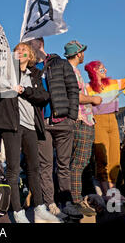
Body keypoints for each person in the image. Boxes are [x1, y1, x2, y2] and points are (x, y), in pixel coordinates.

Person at [0, 42, 61, 223]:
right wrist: (8, 88)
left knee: (34, 168)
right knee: (13, 169)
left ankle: (39, 207)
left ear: (31, 56)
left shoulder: (34, 74)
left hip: (30, 126)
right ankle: (18, 212)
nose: (20, 52)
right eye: (17, 50)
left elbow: (44, 97)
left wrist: (25, 91)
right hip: (11, 125)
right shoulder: (5, 73)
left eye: (24, 50)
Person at [27, 37, 81, 219]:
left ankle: (66, 201)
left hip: (63, 121)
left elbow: (73, 89)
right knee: (45, 166)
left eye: (30, 43)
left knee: (64, 165)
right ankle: (50, 202)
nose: (27, 47)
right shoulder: (30, 68)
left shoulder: (60, 63)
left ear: (39, 43)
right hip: (42, 124)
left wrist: (72, 116)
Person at [84, 60, 125, 199]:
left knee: (115, 158)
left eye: (105, 68)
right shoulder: (87, 88)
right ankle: (107, 192)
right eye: (102, 69)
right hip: (98, 121)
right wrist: (89, 116)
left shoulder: (112, 83)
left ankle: (113, 192)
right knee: (102, 157)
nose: (105, 70)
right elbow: (81, 104)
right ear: (94, 71)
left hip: (112, 120)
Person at [64, 40, 102, 216]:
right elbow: (74, 96)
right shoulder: (71, 71)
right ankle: (76, 201)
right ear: (79, 54)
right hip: (81, 120)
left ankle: (80, 198)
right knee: (79, 163)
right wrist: (93, 100)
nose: (84, 54)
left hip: (82, 120)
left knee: (81, 162)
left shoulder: (73, 71)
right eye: (82, 52)